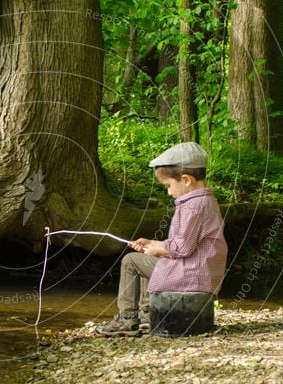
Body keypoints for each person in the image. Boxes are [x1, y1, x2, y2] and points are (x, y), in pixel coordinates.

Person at [97, 141, 227, 337]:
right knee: (144, 260)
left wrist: (158, 250)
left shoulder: (193, 206)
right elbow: (187, 243)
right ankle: (146, 315)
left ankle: (128, 318)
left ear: (186, 180)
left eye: (168, 185)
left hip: (192, 274)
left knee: (130, 261)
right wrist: (153, 244)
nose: (168, 192)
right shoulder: (206, 200)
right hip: (201, 270)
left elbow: (182, 248)